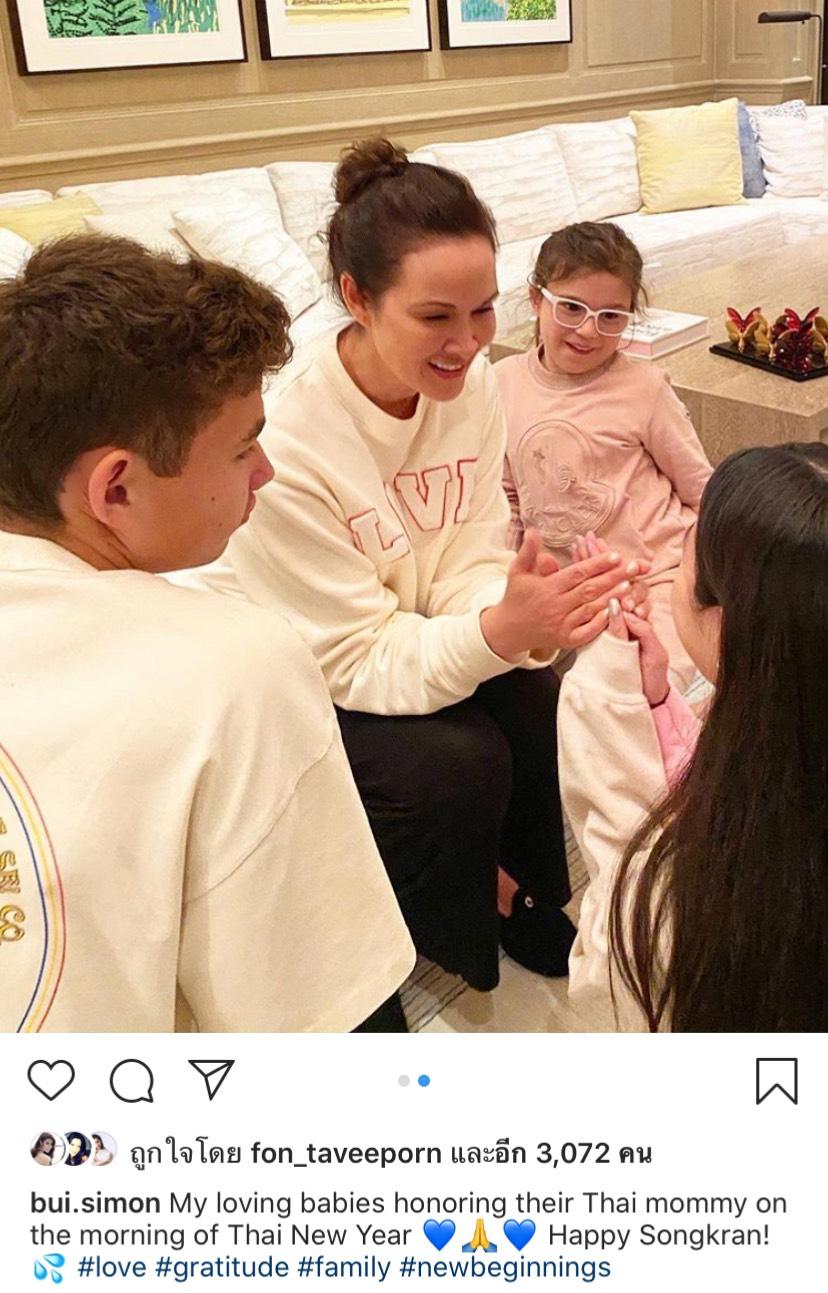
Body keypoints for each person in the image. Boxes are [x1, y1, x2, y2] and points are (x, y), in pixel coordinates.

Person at [186, 140, 650, 1006]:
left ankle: (524, 887)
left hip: (398, 627)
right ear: (357, 297)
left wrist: (521, 610)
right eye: (436, 316)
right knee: (456, 765)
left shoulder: (470, 388)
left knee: (536, 696)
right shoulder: (289, 442)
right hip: (301, 664)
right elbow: (352, 655)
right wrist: (494, 633)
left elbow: (464, 554)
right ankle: (438, 924)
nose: (468, 343)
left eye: (483, 310)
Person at [0, 234, 414, 1034]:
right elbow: (321, 1030)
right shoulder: (229, 670)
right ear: (116, 488)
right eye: (244, 445)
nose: (265, 472)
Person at [558, 443, 828, 1031]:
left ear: (727, 625)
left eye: (688, 547)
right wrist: (658, 704)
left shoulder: (704, 895)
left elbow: (613, 981)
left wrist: (604, 709)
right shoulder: (786, 730)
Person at [497, 221, 712, 689]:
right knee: (537, 696)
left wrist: (695, 581)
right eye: (571, 308)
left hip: (656, 581)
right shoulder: (501, 383)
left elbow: (704, 493)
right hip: (567, 593)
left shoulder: (645, 388)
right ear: (536, 299)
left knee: (643, 696)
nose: (588, 331)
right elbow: (509, 501)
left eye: (611, 316)